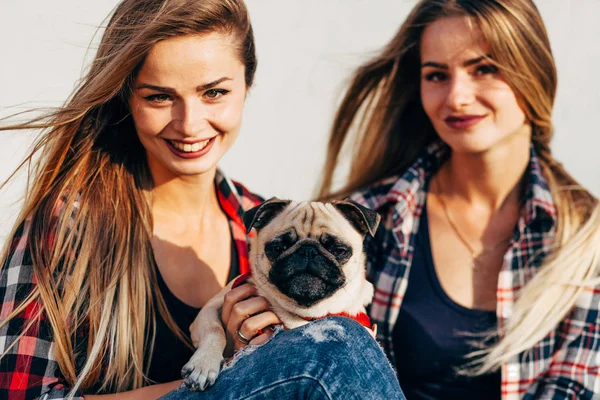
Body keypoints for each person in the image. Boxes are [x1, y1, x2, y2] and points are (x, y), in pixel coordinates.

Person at [0, 0, 403, 399]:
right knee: (333, 352)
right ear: (127, 99)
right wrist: (235, 373)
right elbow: (19, 395)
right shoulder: (71, 225)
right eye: (159, 97)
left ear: (248, 86)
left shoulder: (267, 222)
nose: (190, 123)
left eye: (213, 92)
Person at [317, 0, 600, 399]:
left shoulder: (587, 239)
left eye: (484, 69)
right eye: (436, 75)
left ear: (533, 72)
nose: (457, 97)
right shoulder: (365, 223)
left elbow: (574, 388)